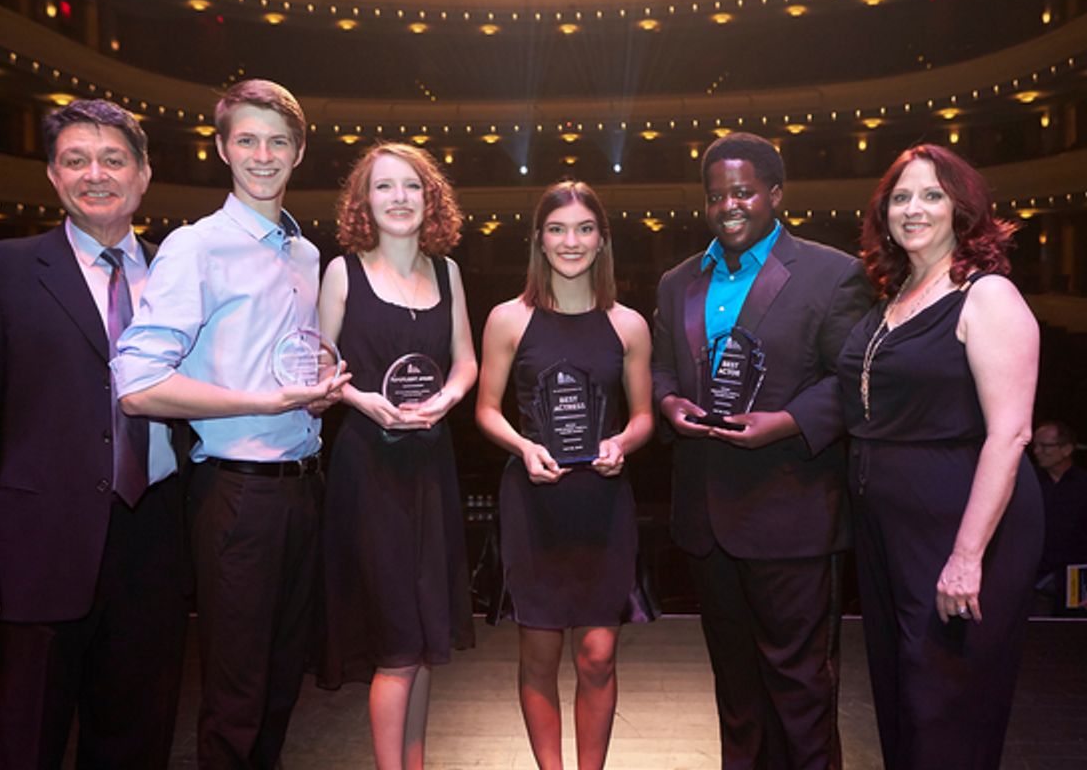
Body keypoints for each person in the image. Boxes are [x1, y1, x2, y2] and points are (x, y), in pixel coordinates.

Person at [0, 99, 190, 768]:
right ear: (52, 176)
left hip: (154, 542)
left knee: (138, 742)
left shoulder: (178, 276)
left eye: (112, 159)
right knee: (25, 743)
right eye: (76, 160)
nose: (94, 174)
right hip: (34, 552)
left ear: (143, 174)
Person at [115, 79, 349, 769]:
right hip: (235, 494)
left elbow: (284, 363)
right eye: (246, 139)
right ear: (222, 149)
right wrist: (258, 401)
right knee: (236, 695)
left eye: (278, 140)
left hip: (305, 488)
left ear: (299, 151)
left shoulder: (304, 254)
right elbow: (138, 386)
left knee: (282, 687)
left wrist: (315, 391)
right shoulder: (196, 247)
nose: (262, 154)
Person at [651, 132, 872, 769]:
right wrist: (669, 405)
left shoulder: (834, 274)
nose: (729, 205)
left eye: (743, 191)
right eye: (716, 195)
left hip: (791, 511)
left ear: (775, 194)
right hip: (706, 517)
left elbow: (852, 380)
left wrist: (787, 421)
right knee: (736, 691)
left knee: (800, 689)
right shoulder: (677, 282)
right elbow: (664, 373)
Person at [836, 144, 1043, 768]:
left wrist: (966, 556)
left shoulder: (988, 297)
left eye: (931, 194)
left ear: (962, 207)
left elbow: (1010, 435)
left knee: (945, 704)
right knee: (901, 696)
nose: (914, 209)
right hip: (889, 529)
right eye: (900, 197)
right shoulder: (892, 298)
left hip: (960, 524)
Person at [476, 180, 656, 770]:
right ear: (539, 240)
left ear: (602, 241)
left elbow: (645, 417)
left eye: (583, 229)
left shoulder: (628, 324)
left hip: (603, 503)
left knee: (599, 656)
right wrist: (523, 446)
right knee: (539, 655)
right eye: (557, 229)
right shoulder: (508, 318)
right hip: (533, 501)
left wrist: (622, 443)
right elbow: (485, 410)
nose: (570, 241)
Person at [316, 142, 477, 769]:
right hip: (369, 467)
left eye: (411, 186)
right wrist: (361, 400)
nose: (399, 198)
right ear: (364, 202)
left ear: (429, 196)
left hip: (431, 464)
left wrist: (448, 398)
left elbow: (465, 360)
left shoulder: (448, 272)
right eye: (384, 188)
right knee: (396, 645)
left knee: (426, 637)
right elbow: (319, 365)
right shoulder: (342, 271)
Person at [1032, 421, 1087, 615]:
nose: (1038, 451)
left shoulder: (1083, 484)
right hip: (1035, 579)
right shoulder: (1029, 484)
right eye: (1035, 446)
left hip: (1076, 578)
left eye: (1045, 446)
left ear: (1067, 449)